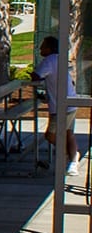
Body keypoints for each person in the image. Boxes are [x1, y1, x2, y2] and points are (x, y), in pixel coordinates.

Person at [32, 35, 81, 176]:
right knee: (68, 133)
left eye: (43, 46)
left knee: (50, 135)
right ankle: (72, 160)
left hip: (60, 106)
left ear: (50, 48)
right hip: (71, 101)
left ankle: (70, 154)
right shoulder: (60, 59)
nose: (40, 48)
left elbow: (36, 75)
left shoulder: (49, 60)